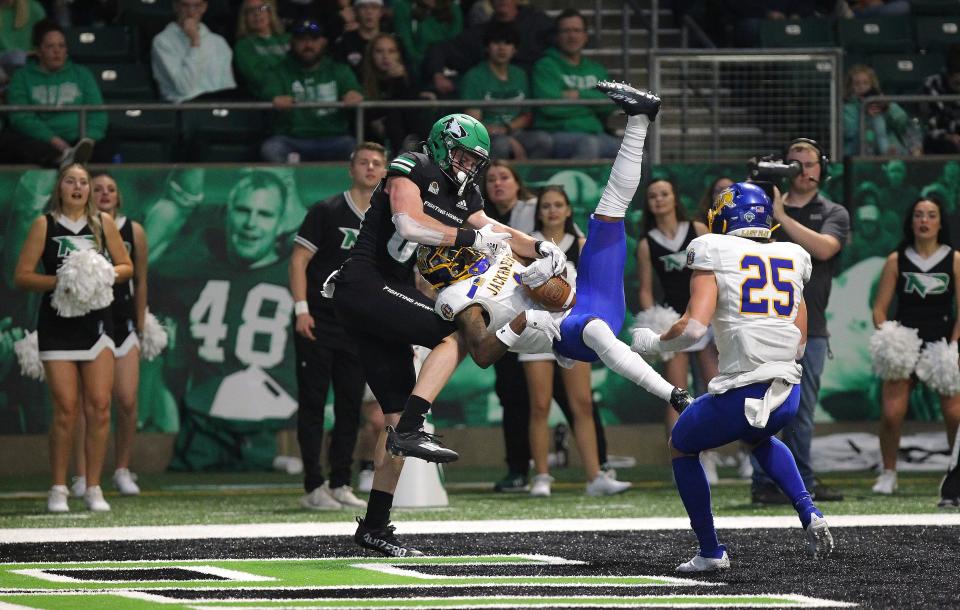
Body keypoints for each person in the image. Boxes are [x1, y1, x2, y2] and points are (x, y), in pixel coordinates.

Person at [415, 83, 689, 489]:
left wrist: (546, 258)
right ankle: (674, 394)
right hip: (566, 332)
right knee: (592, 329)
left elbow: (530, 265)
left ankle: (639, 119)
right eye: (455, 251)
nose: (465, 248)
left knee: (608, 213)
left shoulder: (491, 253)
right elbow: (483, 355)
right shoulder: (460, 299)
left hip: (590, 295)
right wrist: (517, 325)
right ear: (449, 264)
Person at [331, 112, 563, 556]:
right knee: (451, 333)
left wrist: (537, 245)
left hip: (383, 292)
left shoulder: (465, 188)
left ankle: (375, 526)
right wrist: (470, 239)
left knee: (395, 420)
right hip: (364, 282)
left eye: (475, 159)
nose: (467, 164)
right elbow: (409, 225)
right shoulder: (411, 165)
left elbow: (490, 228)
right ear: (440, 145)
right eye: (461, 154)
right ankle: (415, 427)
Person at [631, 181, 834, 571]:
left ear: (723, 216)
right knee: (759, 438)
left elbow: (693, 329)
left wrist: (654, 343)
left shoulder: (713, 248)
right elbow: (800, 340)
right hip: (786, 392)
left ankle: (710, 551)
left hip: (744, 391)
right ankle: (808, 511)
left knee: (683, 445)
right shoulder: (793, 254)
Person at [148, 169, 300, 471]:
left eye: (264, 214)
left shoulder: (300, 274)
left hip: (275, 422)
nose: (251, 223)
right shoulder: (194, 268)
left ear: (282, 223)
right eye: (243, 210)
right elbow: (141, 262)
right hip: (201, 425)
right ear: (227, 213)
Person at [13, 163, 133, 513]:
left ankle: (93, 487)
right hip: (58, 324)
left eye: (84, 182)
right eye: (71, 182)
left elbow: (126, 267)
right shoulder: (44, 225)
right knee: (65, 410)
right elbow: (22, 276)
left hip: (97, 324)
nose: (78, 188)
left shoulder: (102, 224)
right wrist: (64, 281)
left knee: (99, 406)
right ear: (60, 188)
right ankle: (58, 487)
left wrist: (101, 275)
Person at [289, 143, 388, 510]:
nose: (370, 167)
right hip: (317, 319)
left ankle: (341, 481)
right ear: (351, 169)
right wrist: (301, 309)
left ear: (385, 172)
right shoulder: (326, 211)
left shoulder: (388, 218)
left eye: (377, 163)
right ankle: (313, 485)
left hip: (357, 325)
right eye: (363, 161)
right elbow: (299, 260)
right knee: (314, 403)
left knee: (350, 405)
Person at [751, 138, 849, 505]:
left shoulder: (833, 212)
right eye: (795, 163)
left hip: (813, 327)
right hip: (764, 322)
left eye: (810, 163)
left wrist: (781, 217)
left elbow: (824, 248)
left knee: (800, 411)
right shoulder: (759, 209)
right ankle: (763, 484)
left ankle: (801, 480)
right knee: (764, 405)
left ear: (822, 167)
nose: (803, 170)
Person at [520, 185, 631, 498]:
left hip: (571, 328)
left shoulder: (581, 243)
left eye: (558, 205)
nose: (552, 211)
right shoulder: (527, 243)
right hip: (536, 329)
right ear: (539, 211)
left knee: (582, 404)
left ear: (568, 210)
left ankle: (595, 476)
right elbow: (519, 287)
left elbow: (594, 288)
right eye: (546, 206)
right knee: (539, 405)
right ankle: (541, 476)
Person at [870, 196, 960, 495]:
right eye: (919, 214)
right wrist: (890, 339)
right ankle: (888, 473)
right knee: (892, 414)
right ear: (911, 221)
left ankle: (954, 472)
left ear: (939, 222)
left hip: (942, 343)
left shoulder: (954, 259)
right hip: (906, 343)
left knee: (954, 415)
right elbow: (880, 309)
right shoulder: (897, 259)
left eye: (931, 215)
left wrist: (954, 347)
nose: (924, 221)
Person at [636, 178, 721, 480]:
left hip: (706, 319)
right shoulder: (648, 244)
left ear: (675, 198)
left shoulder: (698, 231)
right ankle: (683, 457)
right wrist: (655, 319)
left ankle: (712, 456)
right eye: (653, 196)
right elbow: (646, 290)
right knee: (677, 394)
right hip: (675, 324)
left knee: (716, 388)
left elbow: (717, 273)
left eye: (664, 194)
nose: (659, 200)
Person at [71, 174, 148, 499]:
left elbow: (141, 279)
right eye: (97, 188)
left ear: (119, 198)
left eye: (111, 189)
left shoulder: (134, 230)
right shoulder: (78, 229)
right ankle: (82, 473)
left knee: (127, 399)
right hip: (85, 320)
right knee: (85, 403)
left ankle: (122, 468)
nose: (104, 194)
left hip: (122, 320)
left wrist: (141, 325)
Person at [260, 19, 363, 163]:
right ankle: (290, 185)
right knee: (272, 148)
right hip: (293, 139)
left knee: (355, 149)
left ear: (323, 42)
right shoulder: (278, 72)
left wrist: (354, 95)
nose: (308, 45)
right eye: (302, 40)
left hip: (334, 138)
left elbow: (354, 91)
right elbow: (270, 94)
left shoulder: (339, 70)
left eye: (314, 40)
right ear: (292, 42)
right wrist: (275, 99)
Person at [5, 19, 104, 167]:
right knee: (13, 142)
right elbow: (21, 117)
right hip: (43, 140)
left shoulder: (82, 74)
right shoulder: (21, 77)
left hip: (79, 139)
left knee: (111, 140)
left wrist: (87, 140)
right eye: (50, 46)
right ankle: (64, 160)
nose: (57, 51)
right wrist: (54, 140)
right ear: (38, 51)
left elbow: (98, 113)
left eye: (61, 46)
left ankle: (74, 158)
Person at [531, 9, 619, 159]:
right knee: (588, 144)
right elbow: (550, 107)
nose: (572, 36)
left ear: (585, 36)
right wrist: (591, 104)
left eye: (577, 30)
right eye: (566, 31)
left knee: (637, 154)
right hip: (557, 135)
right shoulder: (545, 66)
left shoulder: (596, 69)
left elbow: (611, 103)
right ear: (557, 36)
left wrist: (577, 95)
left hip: (596, 134)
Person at [460, 22, 551, 160]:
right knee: (502, 145)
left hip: (514, 131)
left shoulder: (520, 75)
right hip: (486, 136)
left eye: (508, 43)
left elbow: (527, 116)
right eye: (496, 42)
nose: (502, 48)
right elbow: (474, 123)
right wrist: (504, 137)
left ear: (515, 49)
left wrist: (507, 130)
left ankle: (526, 179)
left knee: (543, 141)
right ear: (487, 47)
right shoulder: (474, 76)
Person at [424, 0, 552, 97]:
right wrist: (438, 75)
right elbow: (440, 49)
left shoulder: (539, 23)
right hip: (485, 102)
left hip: (533, 93)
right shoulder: (478, 33)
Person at [151, 0, 236, 103]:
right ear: (176, 7)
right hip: (184, 108)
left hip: (221, 105)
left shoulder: (218, 42)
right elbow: (184, 87)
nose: (191, 12)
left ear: (204, 7)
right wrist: (194, 42)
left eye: (196, 6)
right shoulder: (162, 41)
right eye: (185, 6)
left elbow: (229, 86)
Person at [359, 33, 430, 153]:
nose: (385, 56)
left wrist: (400, 81)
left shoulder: (407, 77)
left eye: (391, 51)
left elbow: (411, 111)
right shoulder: (362, 78)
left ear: (399, 55)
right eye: (379, 51)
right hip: (374, 134)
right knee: (393, 115)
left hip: (405, 131)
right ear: (371, 55)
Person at [842, 64, 922, 157]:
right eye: (857, 84)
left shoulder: (881, 101)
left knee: (906, 129)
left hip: (888, 145)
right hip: (858, 147)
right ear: (850, 86)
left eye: (865, 83)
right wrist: (866, 116)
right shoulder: (848, 107)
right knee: (875, 120)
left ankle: (913, 152)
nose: (861, 87)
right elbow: (850, 132)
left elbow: (902, 120)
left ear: (872, 85)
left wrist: (887, 108)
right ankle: (887, 153)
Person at [392, 0, 462, 84]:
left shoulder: (453, 8)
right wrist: (432, 67)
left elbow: (454, 45)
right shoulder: (402, 6)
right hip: (418, 69)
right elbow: (407, 47)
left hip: (447, 68)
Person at [233, 0, 289, 100]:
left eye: (261, 8)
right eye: (250, 11)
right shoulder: (243, 46)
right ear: (244, 18)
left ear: (270, 12)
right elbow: (259, 76)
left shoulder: (288, 39)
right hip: (267, 101)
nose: (257, 14)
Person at [921, 44, 960, 155]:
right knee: (947, 147)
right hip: (940, 138)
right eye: (957, 83)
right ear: (948, 74)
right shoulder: (931, 85)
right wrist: (949, 136)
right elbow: (930, 123)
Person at [333, 0, 384, 78]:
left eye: (374, 7)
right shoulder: (344, 43)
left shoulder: (392, 41)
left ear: (381, 12)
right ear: (355, 12)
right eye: (363, 7)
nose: (369, 12)